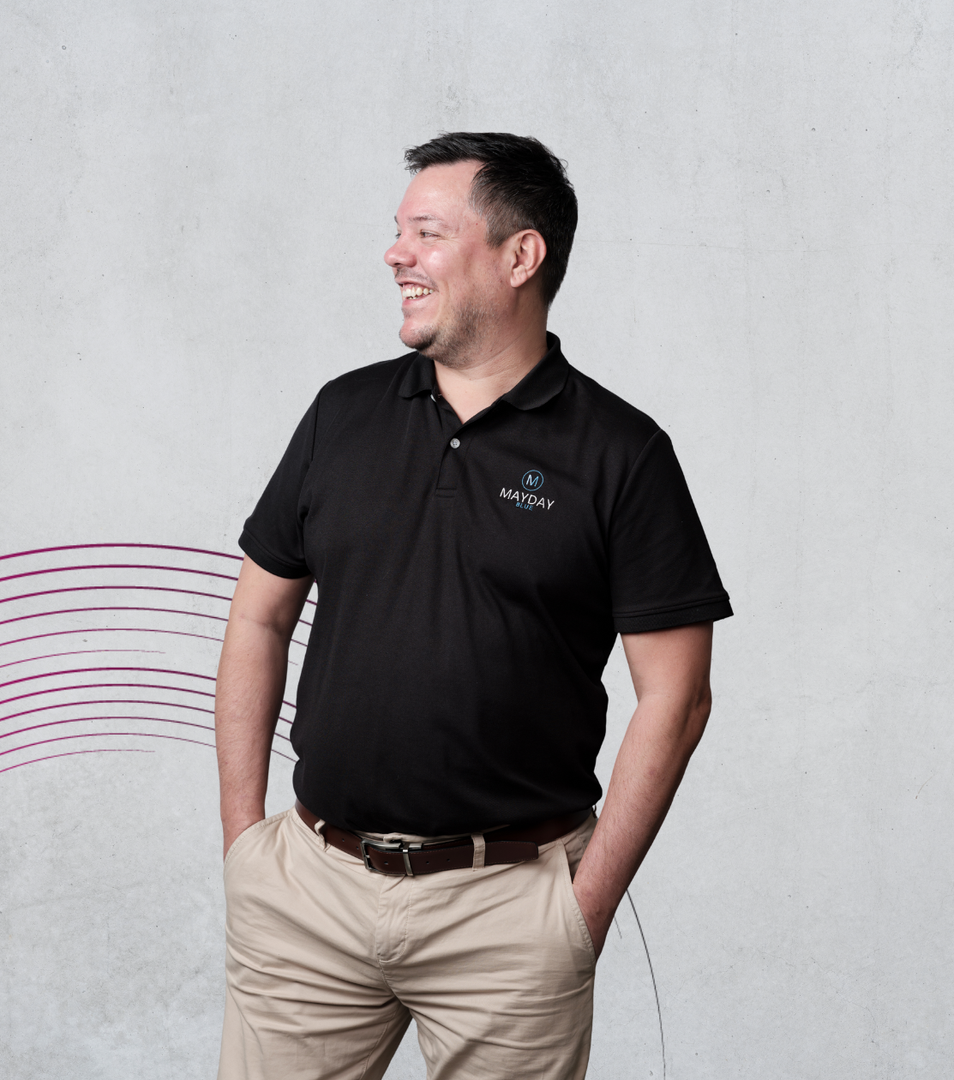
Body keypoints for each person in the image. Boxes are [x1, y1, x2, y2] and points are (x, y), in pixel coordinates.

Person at [214, 132, 732, 1080]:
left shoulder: (622, 453)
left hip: (513, 911)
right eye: (398, 231)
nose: (395, 254)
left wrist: (584, 906)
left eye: (427, 231)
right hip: (310, 895)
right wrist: (245, 843)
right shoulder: (342, 414)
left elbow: (679, 696)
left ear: (519, 255)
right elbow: (258, 617)